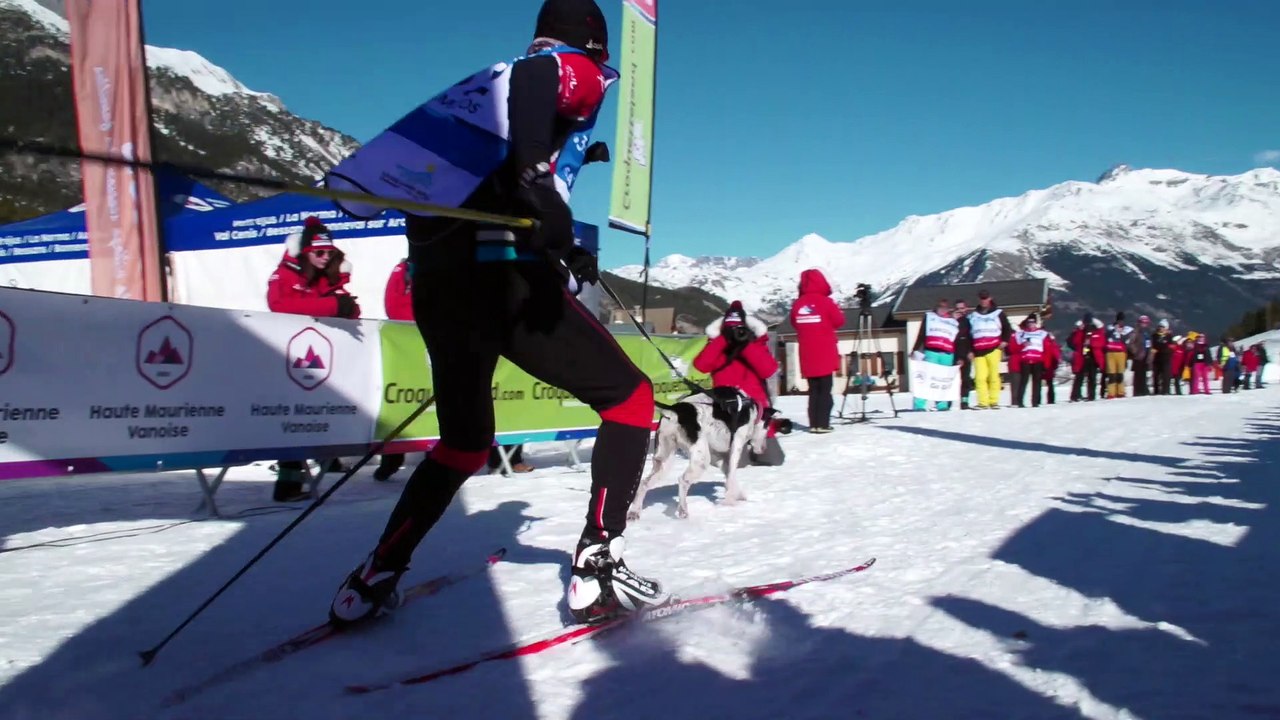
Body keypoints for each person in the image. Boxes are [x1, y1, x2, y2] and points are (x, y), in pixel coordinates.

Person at [323, 0, 667, 627]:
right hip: (504, 281)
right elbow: (543, 83)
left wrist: (566, 246)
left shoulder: (474, 105)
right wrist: (538, 179)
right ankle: (597, 566)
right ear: (593, 44)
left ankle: (372, 579)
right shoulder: (557, 69)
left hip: (440, 289)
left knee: (463, 444)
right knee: (631, 402)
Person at [265, 217, 361, 501]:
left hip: (323, 359)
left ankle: (326, 459)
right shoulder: (285, 273)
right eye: (318, 252)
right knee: (292, 420)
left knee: (322, 413)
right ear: (305, 251)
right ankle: (287, 484)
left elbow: (350, 310)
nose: (325, 257)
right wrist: (332, 306)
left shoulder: (331, 274)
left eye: (329, 252)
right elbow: (281, 305)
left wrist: (341, 304)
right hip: (291, 359)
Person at [693, 301, 785, 465]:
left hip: (756, 412)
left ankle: (752, 448)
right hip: (728, 413)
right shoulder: (717, 347)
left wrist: (746, 344)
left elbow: (768, 370)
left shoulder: (756, 344)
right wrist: (722, 340)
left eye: (739, 329)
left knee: (775, 459)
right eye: (731, 329)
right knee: (737, 463)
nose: (735, 333)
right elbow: (701, 365)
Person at [788, 268, 844, 432]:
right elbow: (839, 321)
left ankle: (814, 424)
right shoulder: (826, 302)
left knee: (814, 391)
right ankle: (823, 424)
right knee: (825, 390)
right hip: (825, 351)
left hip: (807, 353)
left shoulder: (798, 304)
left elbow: (794, 323)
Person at [375, 259, 415, 482]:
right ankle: (391, 458)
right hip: (406, 342)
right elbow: (394, 306)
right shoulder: (405, 268)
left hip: (438, 341)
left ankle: (438, 457)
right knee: (401, 401)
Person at [910, 298, 959, 412]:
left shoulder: (953, 321)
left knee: (943, 379)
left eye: (944, 307)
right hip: (931, 351)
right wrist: (915, 349)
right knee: (926, 377)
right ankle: (919, 404)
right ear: (936, 307)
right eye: (940, 307)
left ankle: (942, 404)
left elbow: (957, 340)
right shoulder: (929, 317)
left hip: (947, 354)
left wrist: (958, 356)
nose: (942, 309)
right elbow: (921, 334)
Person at [968, 289, 1013, 409]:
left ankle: (994, 401)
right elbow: (969, 334)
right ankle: (983, 402)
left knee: (993, 376)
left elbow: (1007, 328)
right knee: (980, 377)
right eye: (982, 298)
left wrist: (1005, 341)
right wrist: (970, 350)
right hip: (978, 351)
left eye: (986, 298)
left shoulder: (998, 313)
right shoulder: (973, 315)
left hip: (994, 348)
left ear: (990, 298)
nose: (984, 300)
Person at [1014, 314, 1049, 407]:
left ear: (1035, 323)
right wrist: (1023, 344)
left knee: (1037, 381)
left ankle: (1035, 401)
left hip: (1038, 360)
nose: (1031, 324)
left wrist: (1046, 363)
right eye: (1029, 322)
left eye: (1033, 322)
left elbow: (1046, 348)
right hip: (1025, 360)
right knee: (1024, 381)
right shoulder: (1021, 333)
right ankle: (1020, 401)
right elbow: (1015, 347)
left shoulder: (1042, 333)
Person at [1069, 313, 1105, 401]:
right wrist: (1079, 330)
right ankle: (1075, 396)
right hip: (1082, 357)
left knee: (1092, 377)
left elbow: (1101, 342)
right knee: (1079, 377)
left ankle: (1091, 395)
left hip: (1093, 357)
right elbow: (1075, 342)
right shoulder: (1079, 332)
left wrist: (1091, 342)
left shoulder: (1097, 332)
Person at [1104, 313, 1133, 399]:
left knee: (1120, 374)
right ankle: (1111, 393)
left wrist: (1122, 333)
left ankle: (1120, 392)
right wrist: (1114, 329)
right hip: (1110, 353)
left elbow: (1128, 339)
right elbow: (1106, 335)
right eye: (1119, 320)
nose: (1120, 322)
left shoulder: (1127, 329)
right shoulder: (1110, 328)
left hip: (1121, 353)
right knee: (1112, 374)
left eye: (1122, 320)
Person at [952, 298, 975, 409]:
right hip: (954, 353)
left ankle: (964, 402)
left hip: (966, 353)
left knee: (966, 379)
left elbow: (972, 338)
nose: (960, 311)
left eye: (962, 308)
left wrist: (971, 351)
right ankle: (947, 403)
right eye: (958, 309)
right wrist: (953, 320)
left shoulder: (969, 321)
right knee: (951, 380)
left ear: (966, 309)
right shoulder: (951, 321)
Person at [1150, 318, 1173, 395]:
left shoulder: (1169, 336)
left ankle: (1165, 390)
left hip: (1166, 358)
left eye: (1163, 327)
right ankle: (1156, 391)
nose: (1161, 328)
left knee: (1166, 376)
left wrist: (1167, 349)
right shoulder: (1154, 336)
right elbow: (1153, 346)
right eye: (1160, 326)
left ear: (1166, 328)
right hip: (1157, 359)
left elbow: (1171, 346)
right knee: (1156, 376)